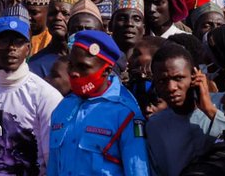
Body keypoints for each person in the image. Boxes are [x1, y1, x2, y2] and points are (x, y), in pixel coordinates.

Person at [0, 14, 63, 176]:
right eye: (3, 42)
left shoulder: (45, 95)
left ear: (28, 48)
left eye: (18, 42)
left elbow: (52, 159)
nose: (11, 48)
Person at [47, 30, 149, 176]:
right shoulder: (63, 108)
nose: (74, 72)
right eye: (71, 65)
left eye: (83, 67)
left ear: (106, 71)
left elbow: (137, 171)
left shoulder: (125, 114)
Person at [145, 42, 225, 176]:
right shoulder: (155, 126)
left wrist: (210, 110)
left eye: (178, 78)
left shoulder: (224, 105)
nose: (171, 87)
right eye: (162, 81)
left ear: (195, 75)